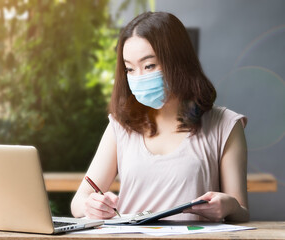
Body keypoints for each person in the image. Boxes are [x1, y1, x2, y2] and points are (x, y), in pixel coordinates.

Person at [70, 11, 249, 222]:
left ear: (178, 60)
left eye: (149, 66)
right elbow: (78, 202)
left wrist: (229, 206)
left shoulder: (225, 125)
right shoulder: (120, 126)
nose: (139, 78)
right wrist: (90, 205)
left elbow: (242, 212)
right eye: (129, 69)